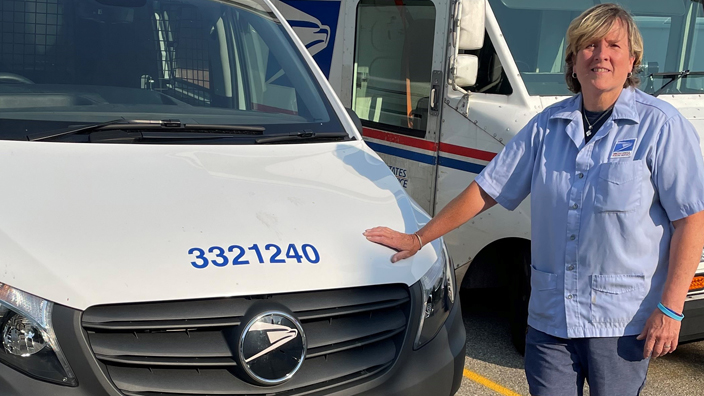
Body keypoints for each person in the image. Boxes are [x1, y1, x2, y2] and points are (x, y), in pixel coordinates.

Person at [363, 3, 704, 396]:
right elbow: (487, 189)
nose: (601, 55)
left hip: (621, 324)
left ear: (633, 61)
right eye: (589, 45)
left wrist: (669, 309)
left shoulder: (661, 127)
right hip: (550, 319)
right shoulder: (547, 125)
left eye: (614, 45)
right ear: (573, 61)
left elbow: (690, 220)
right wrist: (419, 238)